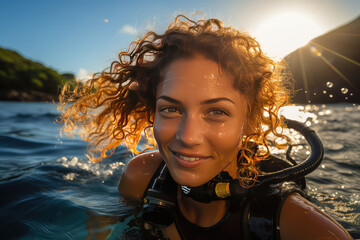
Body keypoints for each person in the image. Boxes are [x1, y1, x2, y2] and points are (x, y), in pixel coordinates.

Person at [59, 15, 353, 239]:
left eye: (216, 111)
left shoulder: (300, 226)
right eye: (171, 109)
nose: (187, 137)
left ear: (248, 123)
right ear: (153, 112)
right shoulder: (139, 179)